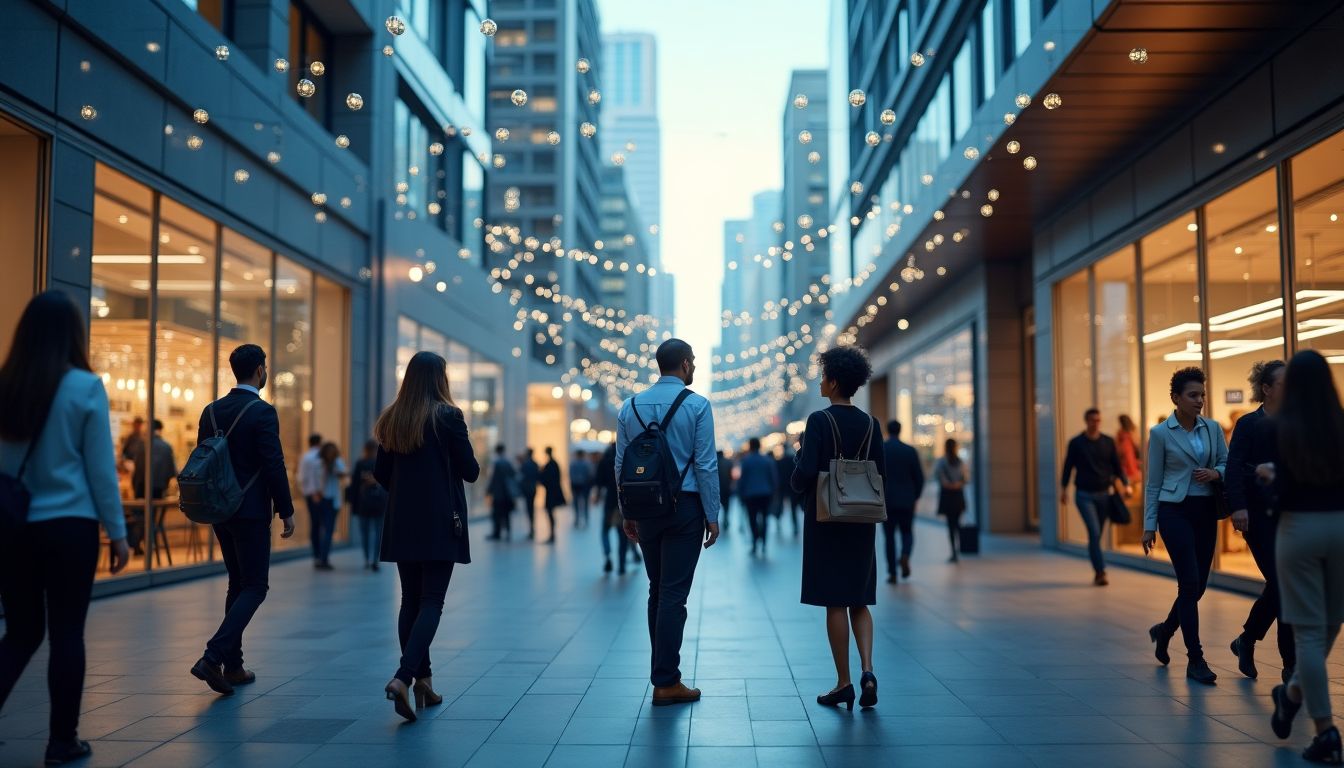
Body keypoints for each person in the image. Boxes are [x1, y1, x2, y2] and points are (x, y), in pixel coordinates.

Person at [0, 291, 131, 766]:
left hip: (14, 527)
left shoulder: (6, 385)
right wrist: (117, 533)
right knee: (67, 633)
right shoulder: (84, 387)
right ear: (74, 334)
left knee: (20, 632)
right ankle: (62, 742)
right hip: (70, 526)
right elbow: (100, 469)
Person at [373, 351, 480, 722]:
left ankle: (424, 683)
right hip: (439, 521)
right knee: (432, 601)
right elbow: (471, 471)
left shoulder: (392, 419)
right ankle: (404, 677)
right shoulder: (448, 417)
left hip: (402, 521)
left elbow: (381, 474)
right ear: (440, 379)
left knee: (410, 600)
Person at [616, 338, 720, 707]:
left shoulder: (630, 406)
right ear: (687, 365)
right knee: (674, 594)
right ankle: (666, 680)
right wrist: (713, 514)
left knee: (657, 590)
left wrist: (626, 511)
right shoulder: (697, 405)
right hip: (685, 508)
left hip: (645, 510)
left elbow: (621, 465)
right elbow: (706, 464)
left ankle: (663, 675)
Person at [189, 343, 297, 696]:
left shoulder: (212, 411)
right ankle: (213, 656)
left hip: (220, 508)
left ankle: (233, 666)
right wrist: (286, 509)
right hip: (250, 510)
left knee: (237, 583)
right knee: (255, 586)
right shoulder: (262, 412)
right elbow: (273, 463)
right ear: (260, 370)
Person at [1259, 351, 1344, 762]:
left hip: (1299, 529)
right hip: (1342, 527)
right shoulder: (1341, 426)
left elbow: (1284, 486)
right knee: (1331, 622)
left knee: (1308, 633)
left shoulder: (1282, 427)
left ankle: (1325, 729)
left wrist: (1272, 476)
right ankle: (1291, 696)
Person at [791, 344, 885, 711]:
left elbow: (807, 472)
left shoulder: (819, 421)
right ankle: (868, 670)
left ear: (833, 381)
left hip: (827, 519)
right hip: (861, 520)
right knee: (859, 598)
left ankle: (843, 682)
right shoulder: (870, 424)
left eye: (822, 376)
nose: (819, 382)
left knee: (834, 601)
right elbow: (881, 473)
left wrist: (795, 474)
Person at [1143, 366, 1226, 686]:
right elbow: (1153, 483)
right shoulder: (1161, 433)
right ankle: (1196, 658)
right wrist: (1149, 525)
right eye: (1193, 395)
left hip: (1205, 510)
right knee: (1189, 583)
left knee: (1199, 586)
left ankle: (1164, 632)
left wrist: (1216, 473)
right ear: (1176, 398)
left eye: (1202, 395)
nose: (1199, 400)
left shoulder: (1212, 428)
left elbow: (1226, 462)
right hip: (1173, 511)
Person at [1225, 360, 1294, 681]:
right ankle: (1290, 666)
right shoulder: (1248, 423)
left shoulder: (1295, 422)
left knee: (1282, 585)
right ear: (1266, 389)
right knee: (1283, 585)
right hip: (1255, 517)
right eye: (1283, 383)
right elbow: (1234, 467)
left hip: (1289, 515)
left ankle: (1246, 639)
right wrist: (1237, 508)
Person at [1060, 408, 1131, 586]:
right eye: (1092, 420)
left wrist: (1126, 484)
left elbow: (1116, 466)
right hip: (1084, 495)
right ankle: (1100, 572)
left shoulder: (1108, 442)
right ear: (1086, 421)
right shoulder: (1076, 443)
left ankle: (1096, 562)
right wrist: (1063, 489)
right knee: (1094, 531)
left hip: (1104, 495)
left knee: (1096, 536)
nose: (1095, 423)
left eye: (1098, 420)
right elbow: (1068, 467)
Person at [881, 420, 924, 583]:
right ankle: (905, 555)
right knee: (907, 532)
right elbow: (919, 477)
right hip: (907, 500)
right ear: (900, 430)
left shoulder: (882, 449)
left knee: (889, 538)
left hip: (887, 501)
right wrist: (915, 496)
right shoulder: (910, 451)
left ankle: (892, 573)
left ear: (888, 430)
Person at [127, 419, 178, 555]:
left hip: (141, 486)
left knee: (139, 517)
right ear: (160, 429)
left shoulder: (142, 444)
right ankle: (149, 543)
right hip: (158, 488)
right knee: (151, 519)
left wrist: (134, 485)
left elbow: (137, 469)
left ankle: (137, 544)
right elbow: (171, 471)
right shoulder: (166, 447)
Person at [351, 439, 387, 571]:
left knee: (365, 533)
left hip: (363, 504)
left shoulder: (360, 463)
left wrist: (354, 506)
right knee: (378, 533)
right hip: (379, 503)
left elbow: (354, 486)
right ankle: (375, 559)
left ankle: (366, 559)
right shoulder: (380, 463)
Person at [738, 438, 778, 556]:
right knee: (765, 518)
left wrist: (741, 494)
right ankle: (764, 542)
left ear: (750, 446)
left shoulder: (746, 461)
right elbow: (773, 478)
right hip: (765, 493)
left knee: (752, 518)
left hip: (750, 494)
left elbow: (742, 479)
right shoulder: (767, 460)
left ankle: (755, 541)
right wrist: (774, 491)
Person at [596, 442, 631, 573]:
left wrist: (598, 495)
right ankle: (622, 564)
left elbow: (598, 482)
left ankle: (607, 557)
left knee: (605, 531)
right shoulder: (625, 460)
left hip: (609, 503)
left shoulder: (604, 461)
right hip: (623, 502)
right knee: (622, 534)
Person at [934, 439, 969, 563]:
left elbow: (940, 479)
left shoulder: (941, 462)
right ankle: (959, 549)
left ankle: (953, 551)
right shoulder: (961, 462)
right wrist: (957, 485)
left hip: (947, 497)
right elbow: (965, 479)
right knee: (957, 523)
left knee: (950, 525)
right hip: (958, 496)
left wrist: (949, 485)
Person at [313, 441, 347, 569]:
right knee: (327, 530)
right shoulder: (321, 464)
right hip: (328, 500)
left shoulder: (332, 463)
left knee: (325, 530)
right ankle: (323, 558)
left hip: (326, 499)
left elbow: (343, 473)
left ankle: (322, 557)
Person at [298, 432, 326, 568]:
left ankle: (318, 555)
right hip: (316, 494)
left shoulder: (305, 457)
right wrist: (315, 492)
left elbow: (302, 478)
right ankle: (319, 555)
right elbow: (313, 476)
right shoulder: (316, 457)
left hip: (310, 494)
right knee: (318, 524)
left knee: (316, 525)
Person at [486, 444, 517, 540]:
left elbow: (494, 479)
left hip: (499, 494)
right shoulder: (508, 462)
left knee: (497, 514)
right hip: (507, 494)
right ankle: (508, 532)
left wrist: (489, 490)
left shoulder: (497, 463)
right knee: (506, 514)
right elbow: (513, 475)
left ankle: (497, 533)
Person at [539, 446, 566, 544]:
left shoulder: (551, 464)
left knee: (550, 512)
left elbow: (547, 478)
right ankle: (552, 534)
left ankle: (552, 534)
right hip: (552, 491)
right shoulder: (553, 463)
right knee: (550, 512)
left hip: (551, 492)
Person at [777, 445, 802, 535]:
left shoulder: (780, 461)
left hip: (783, 487)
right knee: (793, 508)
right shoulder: (793, 460)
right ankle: (795, 526)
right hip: (792, 487)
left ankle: (778, 523)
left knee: (780, 506)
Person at [519, 448, 540, 539]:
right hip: (533, 488)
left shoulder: (526, 464)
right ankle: (532, 528)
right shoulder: (535, 464)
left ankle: (532, 529)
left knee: (529, 509)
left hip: (527, 489)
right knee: (531, 509)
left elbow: (521, 475)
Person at [570, 450, 594, 528]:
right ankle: (586, 519)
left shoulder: (573, 464)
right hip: (584, 486)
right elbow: (590, 474)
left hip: (576, 486)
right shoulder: (586, 464)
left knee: (576, 503)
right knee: (585, 503)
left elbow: (571, 476)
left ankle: (577, 519)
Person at [1117, 414, 1142, 485]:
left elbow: (1137, 445)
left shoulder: (1128, 432)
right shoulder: (1123, 432)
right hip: (1127, 458)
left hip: (1130, 457)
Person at [716, 449, 734, 534]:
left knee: (715, 506)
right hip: (726, 487)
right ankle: (726, 519)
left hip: (716, 488)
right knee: (726, 506)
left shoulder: (714, 462)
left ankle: (714, 521)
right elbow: (731, 475)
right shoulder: (728, 462)